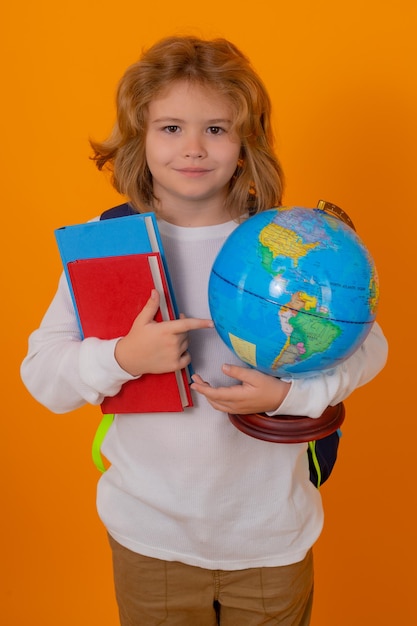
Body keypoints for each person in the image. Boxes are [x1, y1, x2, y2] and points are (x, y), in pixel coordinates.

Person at [20, 36, 388, 625]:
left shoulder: (289, 244)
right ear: (140, 138)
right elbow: (42, 377)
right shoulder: (106, 246)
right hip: (151, 540)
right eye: (170, 128)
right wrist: (122, 357)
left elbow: (370, 346)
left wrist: (291, 397)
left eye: (216, 129)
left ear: (246, 144)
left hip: (271, 539)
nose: (192, 148)